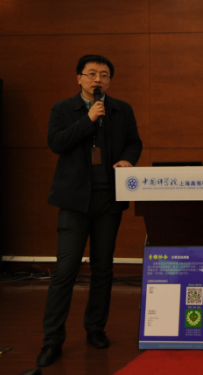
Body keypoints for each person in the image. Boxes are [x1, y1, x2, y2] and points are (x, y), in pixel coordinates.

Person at [37, 55, 142, 367]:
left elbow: (134, 142)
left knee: (103, 268)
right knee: (65, 270)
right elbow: (56, 143)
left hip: (108, 200)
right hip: (74, 202)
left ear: (110, 81)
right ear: (79, 78)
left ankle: (96, 328)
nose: (98, 79)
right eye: (92, 74)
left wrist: (128, 159)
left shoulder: (122, 109)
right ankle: (52, 340)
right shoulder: (62, 109)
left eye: (104, 75)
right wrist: (88, 120)